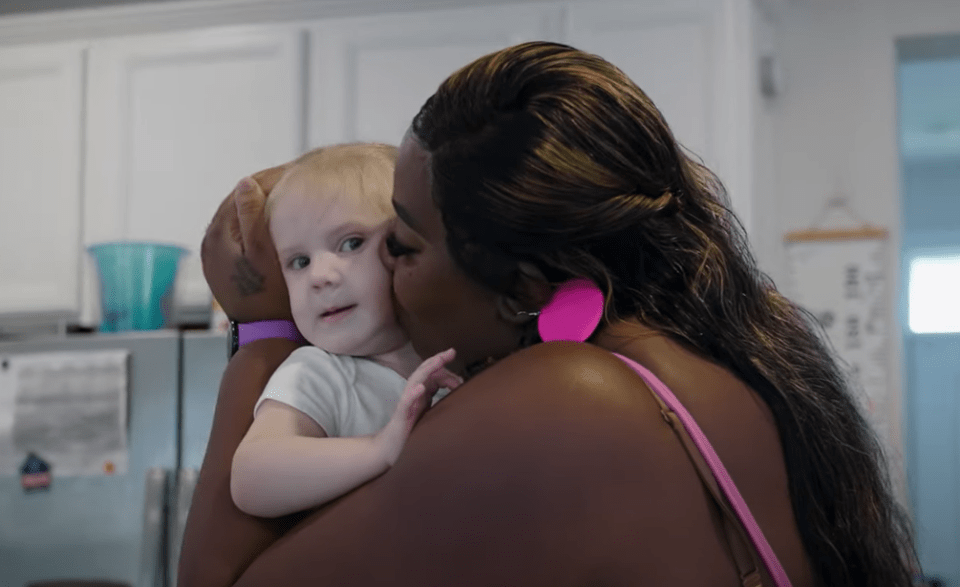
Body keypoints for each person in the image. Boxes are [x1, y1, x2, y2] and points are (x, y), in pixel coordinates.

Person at [180, 41, 918, 586]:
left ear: (527, 286)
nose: (374, 274)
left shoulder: (566, 401)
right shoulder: (709, 352)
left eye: (398, 244)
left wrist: (264, 327)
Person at [229, 143, 461, 519]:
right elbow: (251, 476)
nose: (320, 277)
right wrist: (380, 449)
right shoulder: (319, 371)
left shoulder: (463, 356)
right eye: (299, 262)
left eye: (351, 243)